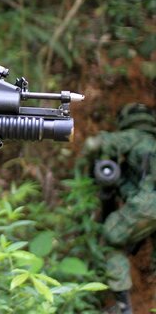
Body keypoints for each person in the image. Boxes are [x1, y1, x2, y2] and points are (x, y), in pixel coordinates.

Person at [82, 103, 156, 314]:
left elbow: (93, 144)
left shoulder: (135, 137)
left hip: (148, 206)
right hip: (148, 207)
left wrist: (90, 169)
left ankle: (123, 308)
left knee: (110, 238)